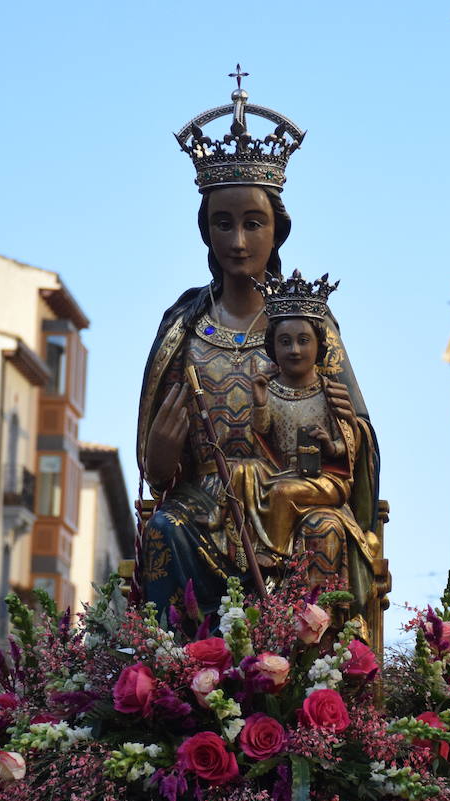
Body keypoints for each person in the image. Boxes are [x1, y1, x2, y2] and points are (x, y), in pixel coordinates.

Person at [135, 81, 385, 628]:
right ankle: (174, 679)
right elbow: (158, 472)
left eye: (253, 223)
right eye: (223, 224)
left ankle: (313, 681)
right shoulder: (185, 326)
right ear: (206, 231)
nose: (239, 241)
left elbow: (358, 439)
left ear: (277, 230)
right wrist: (159, 455)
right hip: (204, 505)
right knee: (162, 533)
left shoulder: (307, 320)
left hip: (292, 506)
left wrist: (339, 430)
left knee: (323, 531)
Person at [223, 273, 373, 587]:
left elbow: (349, 446)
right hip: (281, 471)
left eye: (303, 341)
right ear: (272, 347)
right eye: (285, 341)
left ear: (319, 346)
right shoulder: (271, 390)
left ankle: (274, 558)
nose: (294, 349)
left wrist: (331, 445)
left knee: (282, 492)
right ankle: (232, 542)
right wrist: (261, 402)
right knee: (240, 472)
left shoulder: (331, 392)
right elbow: (261, 438)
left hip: (324, 480)